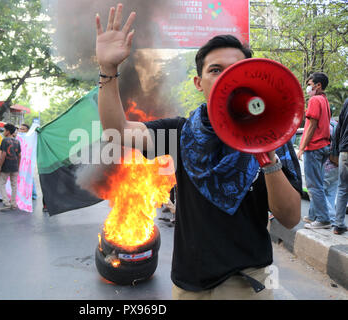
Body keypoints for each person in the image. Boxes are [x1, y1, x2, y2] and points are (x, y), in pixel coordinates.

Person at [95, 4, 301, 300]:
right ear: (198, 82)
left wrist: (265, 153)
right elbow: (117, 129)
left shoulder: (273, 134)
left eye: (235, 70)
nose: (226, 79)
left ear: (251, 77)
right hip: (191, 287)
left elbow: (290, 217)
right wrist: (108, 70)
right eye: (215, 71)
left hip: (249, 283)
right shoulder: (181, 133)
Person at [297, 72, 332, 229]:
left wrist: (302, 147)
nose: (308, 87)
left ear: (318, 85)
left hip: (315, 146)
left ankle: (323, 219)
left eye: (310, 83)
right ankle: (313, 216)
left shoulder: (314, 100)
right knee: (318, 183)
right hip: (325, 146)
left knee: (313, 185)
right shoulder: (325, 100)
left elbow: (311, 125)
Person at [332, 98, 348, 235]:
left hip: (345, 151)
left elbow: (339, 127)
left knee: (342, 188)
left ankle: (338, 225)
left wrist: (335, 150)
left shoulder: (347, 101)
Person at [0, 123, 21, 211]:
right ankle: (13, 204)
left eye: (4, 130)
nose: (3, 132)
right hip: (14, 166)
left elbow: (3, 154)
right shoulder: (17, 141)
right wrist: (18, 166)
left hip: (6, 166)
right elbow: (19, 155)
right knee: (14, 185)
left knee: (1, 183)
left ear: (7, 131)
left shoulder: (5, 140)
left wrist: (0, 166)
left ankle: (6, 202)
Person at [19, 123, 37, 200]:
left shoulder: (31, 138)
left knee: (30, 178)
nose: (21, 131)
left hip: (28, 162)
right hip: (21, 161)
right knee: (21, 178)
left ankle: (33, 194)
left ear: (27, 131)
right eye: (20, 129)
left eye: (23, 129)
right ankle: (23, 193)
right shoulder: (19, 138)